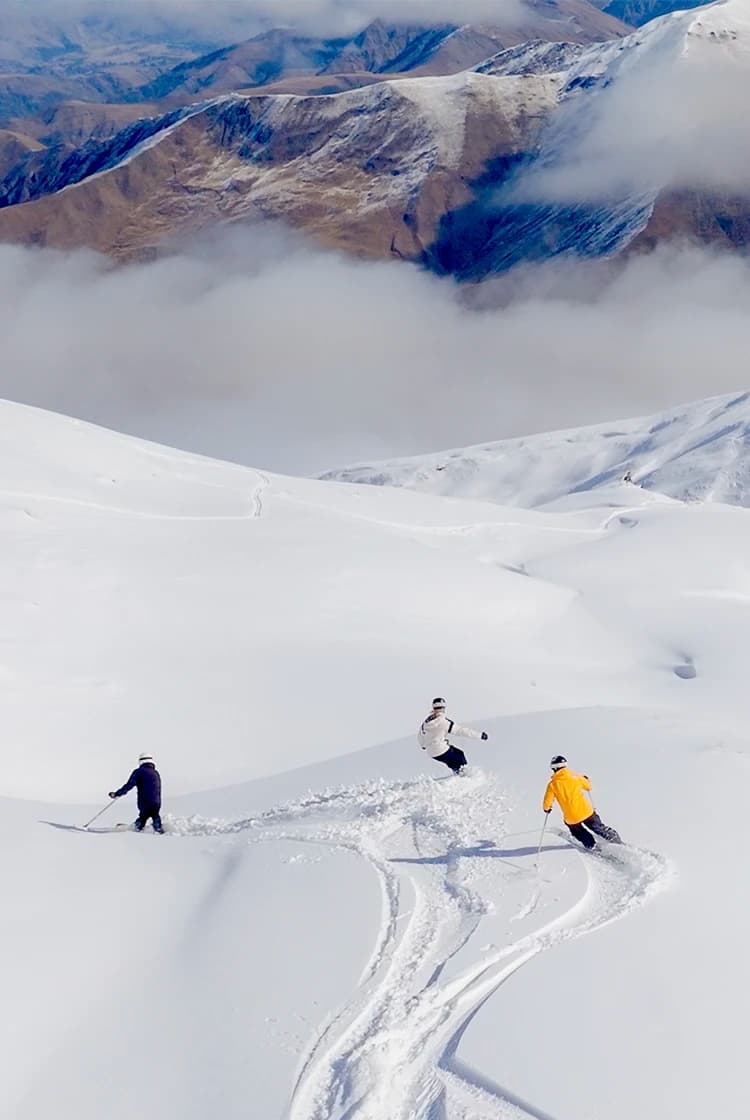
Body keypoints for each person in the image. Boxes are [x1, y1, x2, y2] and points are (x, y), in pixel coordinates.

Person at [543, 755, 622, 849]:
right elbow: (588, 787)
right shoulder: (576, 777)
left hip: (571, 817)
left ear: (554, 768)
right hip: (586, 812)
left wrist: (547, 809)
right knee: (598, 827)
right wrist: (586, 779)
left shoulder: (552, 785)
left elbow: (547, 803)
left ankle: (592, 846)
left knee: (578, 831)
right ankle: (616, 841)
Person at [418, 697, 488, 774]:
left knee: (452, 761)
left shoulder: (426, 722)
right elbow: (461, 731)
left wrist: (424, 746)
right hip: (441, 748)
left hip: (431, 752)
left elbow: (420, 735)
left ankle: (457, 774)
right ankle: (464, 775)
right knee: (459, 755)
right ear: (444, 707)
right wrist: (480, 735)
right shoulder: (445, 722)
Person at [109, 753, 163, 833]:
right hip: (156, 801)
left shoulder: (139, 772)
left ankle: (135, 829)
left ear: (141, 761)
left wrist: (117, 794)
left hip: (145, 801)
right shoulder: (155, 773)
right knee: (154, 815)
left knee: (143, 816)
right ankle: (158, 829)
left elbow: (129, 785)